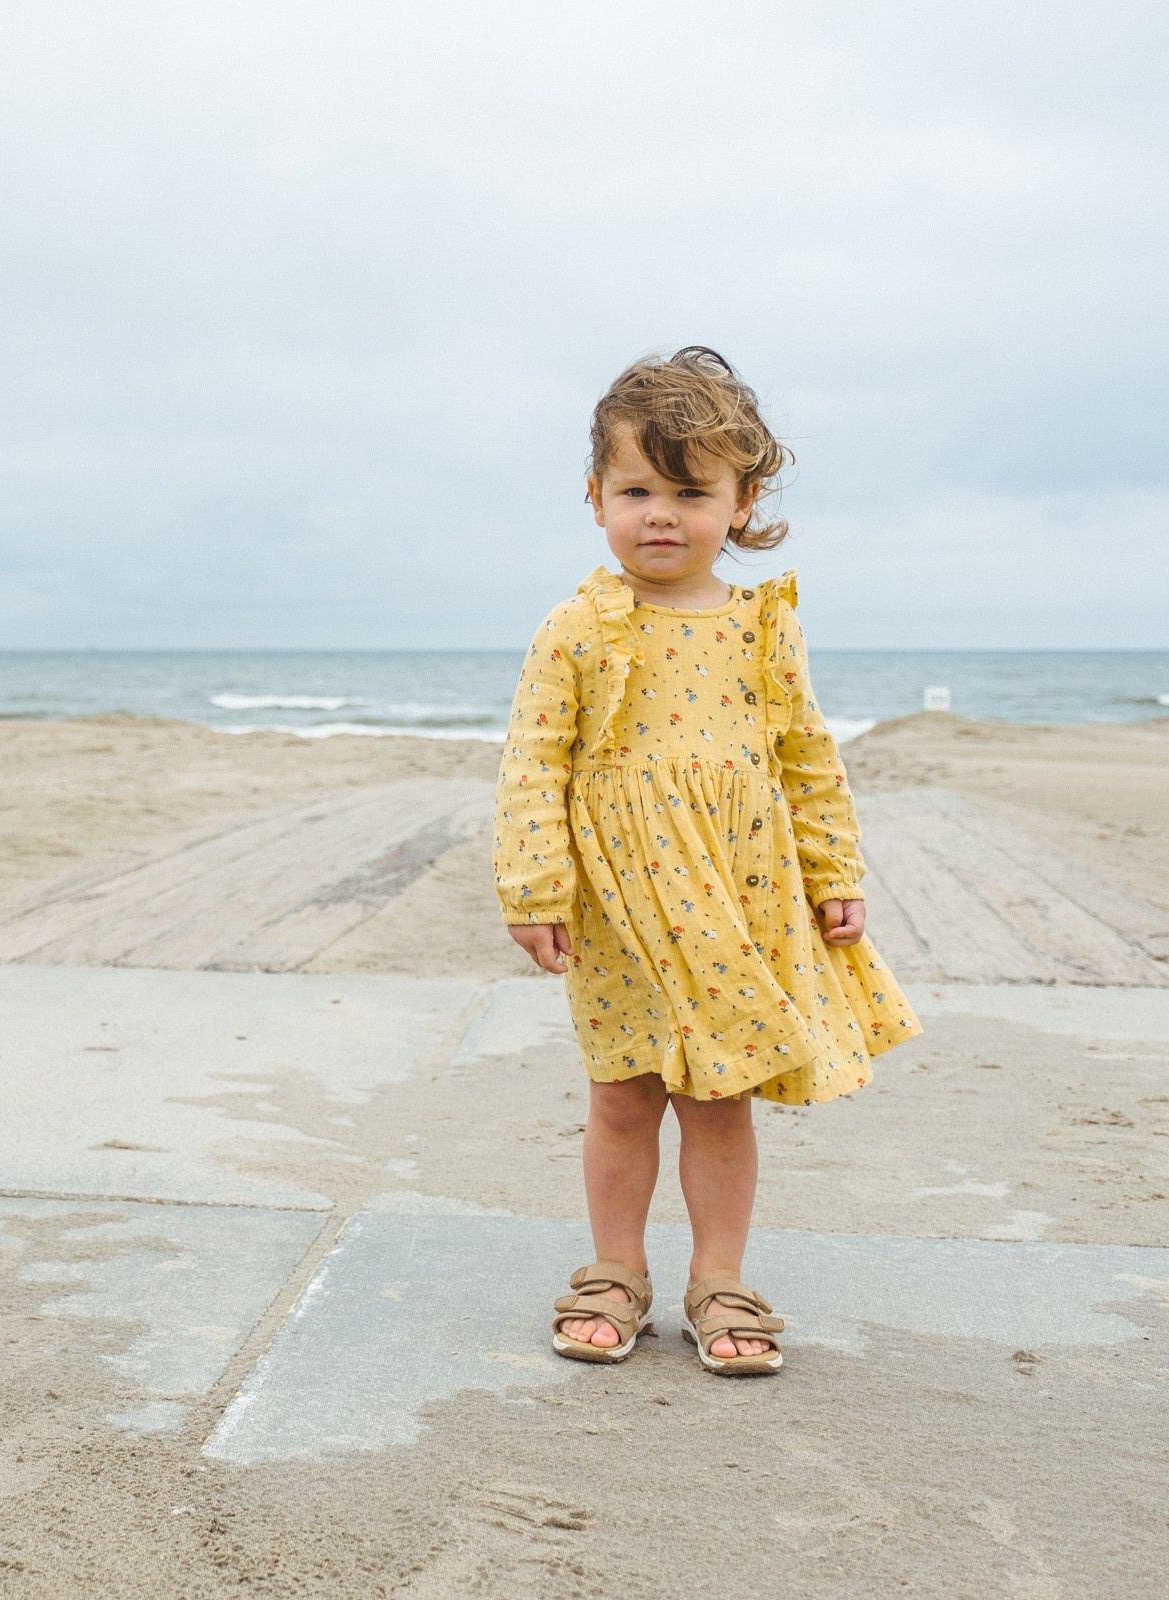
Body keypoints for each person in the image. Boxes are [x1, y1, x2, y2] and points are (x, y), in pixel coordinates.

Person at [493, 347, 920, 1376]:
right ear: (596, 495)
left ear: (742, 500)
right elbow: (533, 762)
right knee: (625, 1092)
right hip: (619, 900)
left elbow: (807, 757)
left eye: (692, 492)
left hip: (736, 893)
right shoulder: (578, 628)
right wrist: (534, 886)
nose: (662, 515)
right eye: (638, 489)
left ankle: (721, 1276)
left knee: (719, 1095)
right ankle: (614, 1271)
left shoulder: (759, 629)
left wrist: (835, 873)